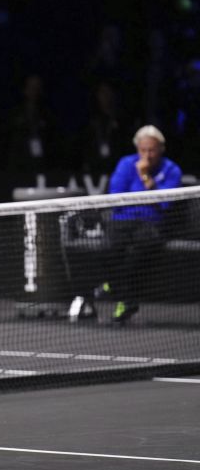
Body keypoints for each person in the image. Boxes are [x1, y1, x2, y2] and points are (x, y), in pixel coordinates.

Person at [102, 125, 182, 322]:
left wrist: (146, 178)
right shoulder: (126, 164)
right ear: (137, 149)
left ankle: (119, 292)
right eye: (143, 150)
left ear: (161, 148)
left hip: (151, 222)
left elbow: (165, 203)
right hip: (123, 219)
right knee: (111, 247)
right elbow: (115, 194)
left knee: (139, 248)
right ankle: (125, 297)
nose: (147, 154)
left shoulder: (172, 170)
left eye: (152, 150)